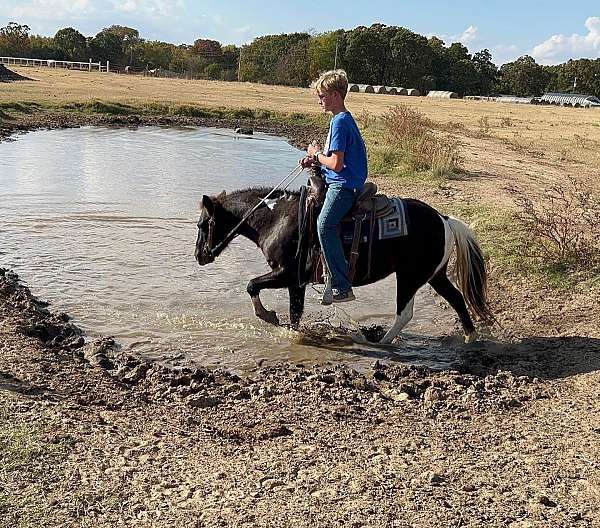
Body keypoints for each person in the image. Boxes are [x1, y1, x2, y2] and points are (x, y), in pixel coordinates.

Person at [300, 69, 368, 305]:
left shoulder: (340, 122)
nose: (319, 99)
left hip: (343, 186)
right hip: (339, 180)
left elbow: (337, 165)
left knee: (325, 224)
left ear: (336, 95)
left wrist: (315, 154)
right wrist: (315, 159)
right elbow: (333, 158)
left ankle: (342, 284)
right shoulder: (340, 120)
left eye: (322, 95)